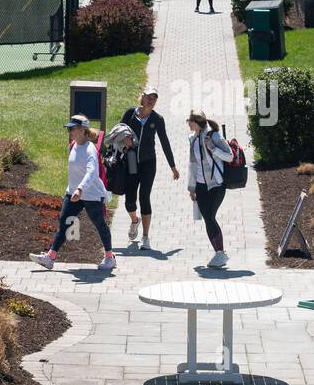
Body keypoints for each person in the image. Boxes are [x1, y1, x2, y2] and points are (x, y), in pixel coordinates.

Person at [30, 115, 116, 271]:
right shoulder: (73, 145)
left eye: (72, 129)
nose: (69, 131)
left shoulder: (89, 149)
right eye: (68, 128)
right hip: (73, 192)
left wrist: (80, 189)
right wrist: (72, 190)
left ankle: (109, 257)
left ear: (83, 130)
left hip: (90, 194)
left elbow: (92, 172)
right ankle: (50, 257)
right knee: (64, 221)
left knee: (99, 224)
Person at [120, 88, 179, 250]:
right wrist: (124, 139)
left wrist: (173, 166)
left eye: (154, 98)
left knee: (144, 197)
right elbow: (118, 130)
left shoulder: (157, 119)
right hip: (131, 161)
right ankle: (134, 221)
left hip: (148, 162)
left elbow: (165, 142)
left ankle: (146, 237)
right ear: (143, 97)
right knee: (129, 200)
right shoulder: (130, 114)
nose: (151, 100)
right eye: (149, 97)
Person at [185, 108, 235, 269]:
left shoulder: (213, 136)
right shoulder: (192, 138)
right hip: (200, 185)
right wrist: (191, 187)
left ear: (196, 122)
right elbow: (192, 164)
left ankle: (221, 253)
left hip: (216, 184)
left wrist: (212, 149)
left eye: (189, 121)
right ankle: (218, 253)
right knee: (207, 218)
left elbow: (230, 156)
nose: (188, 124)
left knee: (210, 215)